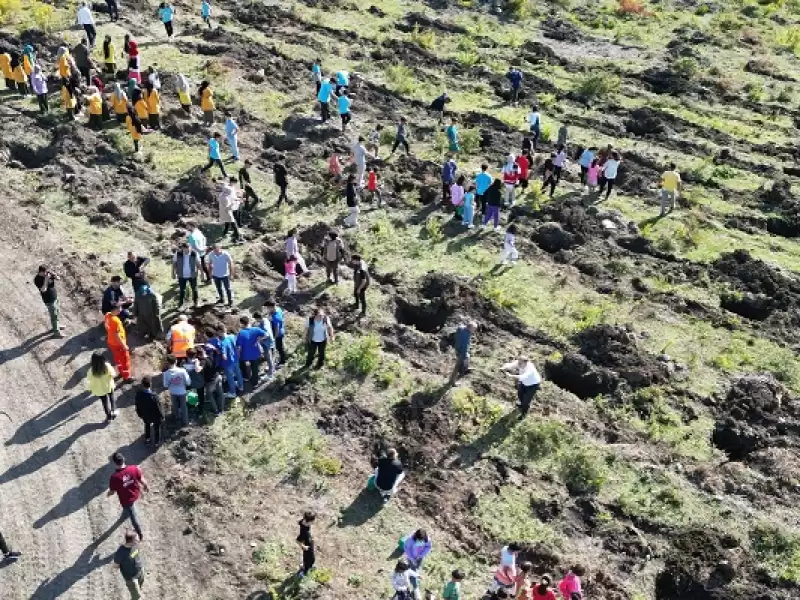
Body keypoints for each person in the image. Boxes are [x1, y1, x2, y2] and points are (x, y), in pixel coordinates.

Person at [107, 452, 149, 540]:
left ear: (114, 463)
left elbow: (112, 491)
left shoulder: (114, 477)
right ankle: (126, 514)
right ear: (124, 459)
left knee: (134, 518)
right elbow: (141, 479)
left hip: (127, 501)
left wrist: (108, 494)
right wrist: (146, 486)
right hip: (136, 493)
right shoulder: (134, 468)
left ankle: (139, 534)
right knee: (130, 510)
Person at [236, 315, 268, 387]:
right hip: (255, 353)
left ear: (242, 324)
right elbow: (266, 335)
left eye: (240, 323)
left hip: (245, 355)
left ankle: (246, 377)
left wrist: (237, 356)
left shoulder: (241, 333)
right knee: (255, 368)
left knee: (242, 365)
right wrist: (259, 340)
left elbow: (239, 347)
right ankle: (255, 383)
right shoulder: (256, 329)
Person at [87, 351, 117, 422]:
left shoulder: (91, 371)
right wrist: (110, 377)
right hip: (108, 386)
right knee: (111, 398)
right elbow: (113, 374)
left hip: (99, 390)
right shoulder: (107, 366)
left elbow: (89, 381)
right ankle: (114, 410)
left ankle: (109, 416)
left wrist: (90, 389)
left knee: (104, 403)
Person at [114, 531, 145, 600]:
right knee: (136, 597)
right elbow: (116, 566)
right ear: (131, 541)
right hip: (131, 578)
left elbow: (136, 553)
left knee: (139, 588)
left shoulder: (135, 545)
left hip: (140, 571)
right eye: (137, 539)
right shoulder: (121, 552)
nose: (139, 540)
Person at [105, 306, 132, 382]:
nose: (120, 310)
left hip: (111, 342)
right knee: (125, 360)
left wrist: (110, 333)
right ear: (114, 310)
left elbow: (106, 327)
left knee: (118, 359)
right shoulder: (115, 321)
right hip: (119, 345)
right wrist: (124, 346)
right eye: (119, 309)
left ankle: (121, 372)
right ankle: (126, 377)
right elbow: (117, 335)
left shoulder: (107, 315)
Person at [34, 265, 62, 336]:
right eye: (45, 272)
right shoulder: (37, 279)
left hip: (54, 297)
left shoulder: (48, 273)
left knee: (57, 313)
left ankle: (57, 326)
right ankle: (56, 332)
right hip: (48, 300)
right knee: (54, 315)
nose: (47, 274)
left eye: (47, 272)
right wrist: (46, 280)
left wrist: (55, 275)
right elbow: (43, 290)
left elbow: (58, 278)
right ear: (41, 272)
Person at [135, 376, 163, 446]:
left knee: (147, 425)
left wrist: (140, 414)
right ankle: (156, 442)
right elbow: (159, 408)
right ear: (150, 384)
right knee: (157, 428)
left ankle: (148, 439)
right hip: (155, 416)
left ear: (142, 385)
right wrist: (162, 415)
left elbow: (137, 406)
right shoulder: (154, 396)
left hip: (146, 415)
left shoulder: (139, 395)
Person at [163, 355, 190, 426]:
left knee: (175, 407)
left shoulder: (166, 374)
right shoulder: (182, 371)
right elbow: (188, 382)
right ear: (176, 361)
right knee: (184, 407)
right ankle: (185, 422)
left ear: (168, 363)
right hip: (182, 392)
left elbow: (165, 385)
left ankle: (177, 419)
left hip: (173, 392)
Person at [216, 326, 243, 398]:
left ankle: (232, 393)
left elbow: (224, 357)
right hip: (235, 359)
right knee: (238, 373)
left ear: (220, 332)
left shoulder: (223, 342)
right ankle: (241, 387)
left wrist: (219, 352)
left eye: (217, 332)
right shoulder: (232, 336)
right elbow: (237, 346)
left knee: (230, 378)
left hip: (228, 363)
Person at [172, 242, 200, 309]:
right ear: (182, 248)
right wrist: (173, 273)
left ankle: (196, 302)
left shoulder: (194, 253)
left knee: (194, 289)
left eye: (188, 249)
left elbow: (198, 263)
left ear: (190, 248)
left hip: (192, 275)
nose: (187, 251)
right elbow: (174, 263)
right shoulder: (178, 254)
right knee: (182, 290)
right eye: (185, 250)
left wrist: (201, 273)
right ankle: (181, 304)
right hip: (182, 275)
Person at [450, 320, 475, 385]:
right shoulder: (466, 335)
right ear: (470, 328)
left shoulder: (461, 328)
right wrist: (464, 355)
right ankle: (453, 382)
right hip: (461, 351)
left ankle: (466, 367)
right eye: (473, 329)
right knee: (458, 367)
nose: (474, 331)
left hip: (457, 348)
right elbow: (464, 346)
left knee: (468, 357)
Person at [218, 178, 242, 243]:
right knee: (233, 223)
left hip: (224, 211)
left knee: (227, 222)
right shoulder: (225, 198)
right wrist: (234, 203)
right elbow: (228, 207)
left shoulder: (222, 195)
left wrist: (236, 200)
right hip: (227, 211)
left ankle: (225, 232)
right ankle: (238, 236)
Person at [296, 511, 316, 577]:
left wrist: (311, 537)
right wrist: (303, 546)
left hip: (310, 542)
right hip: (307, 549)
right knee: (309, 560)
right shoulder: (304, 532)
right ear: (309, 522)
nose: (314, 522)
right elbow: (297, 540)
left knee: (312, 558)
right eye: (313, 521)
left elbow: (299, 522)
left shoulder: (304, 522)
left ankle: (310, 565)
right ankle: (304, 571)